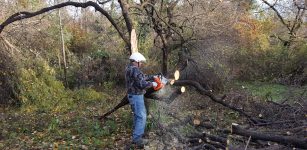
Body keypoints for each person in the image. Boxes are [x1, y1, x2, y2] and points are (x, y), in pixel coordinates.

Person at [125, 52, 160, 148]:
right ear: (136, 61)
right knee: (142, 116)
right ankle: (137, 139)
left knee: (137, 115)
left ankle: (136, 135)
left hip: (132, 95)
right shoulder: (135, 70)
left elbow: (141, 77)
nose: (141, 64)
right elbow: (141, 84)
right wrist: (152, 84)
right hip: (136, 96)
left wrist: (153, 77)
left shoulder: (129, 68)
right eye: (140, 62)